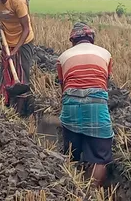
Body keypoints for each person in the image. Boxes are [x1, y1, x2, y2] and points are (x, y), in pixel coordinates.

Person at [56, 22, 114, 188]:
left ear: (73, 41)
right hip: (97, 104)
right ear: (91, 39)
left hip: (70, 105)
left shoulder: (62, 57)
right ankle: (92, 193)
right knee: (100, 158)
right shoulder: (105, 54)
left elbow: (64, 87)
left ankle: (71, 190)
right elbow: (105, 83)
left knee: (71, 156)